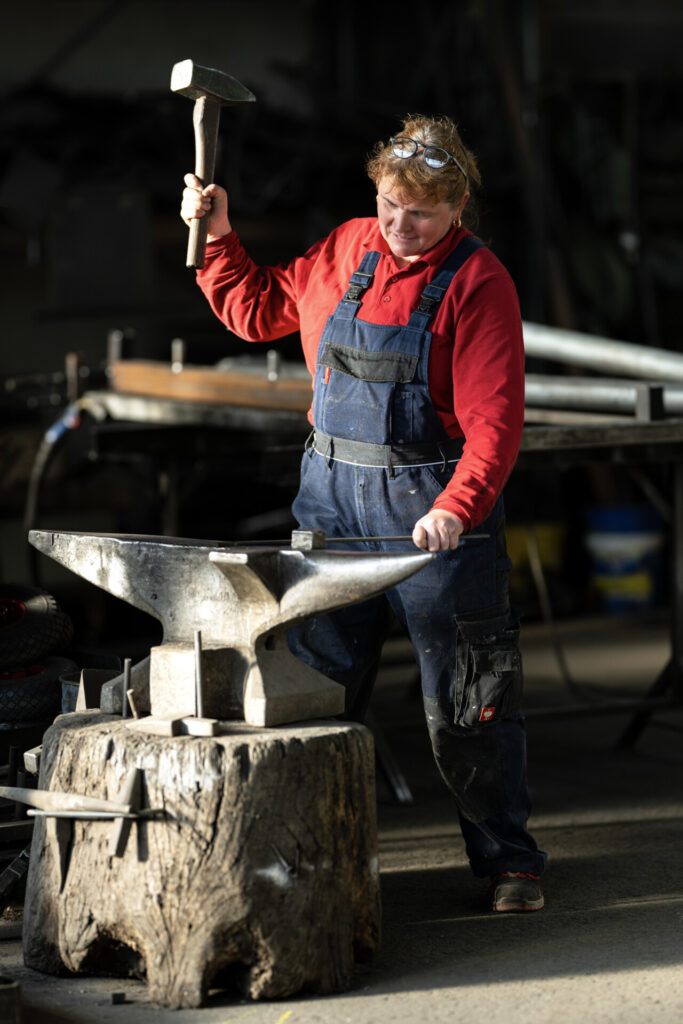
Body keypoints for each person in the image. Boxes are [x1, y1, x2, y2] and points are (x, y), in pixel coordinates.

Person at [181, 113, 547, 912]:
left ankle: (508, 863)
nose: (399, 226)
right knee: (315, 690)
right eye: (387, 204)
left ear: (457, 207)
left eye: (420, 213)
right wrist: (217, 235)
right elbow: (255, 311)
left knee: (465, 699)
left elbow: (494, 423)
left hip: (429, 515)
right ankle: (306, 865)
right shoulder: (348, 247)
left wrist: (457, 508)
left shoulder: (478, 282)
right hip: (330, 505)